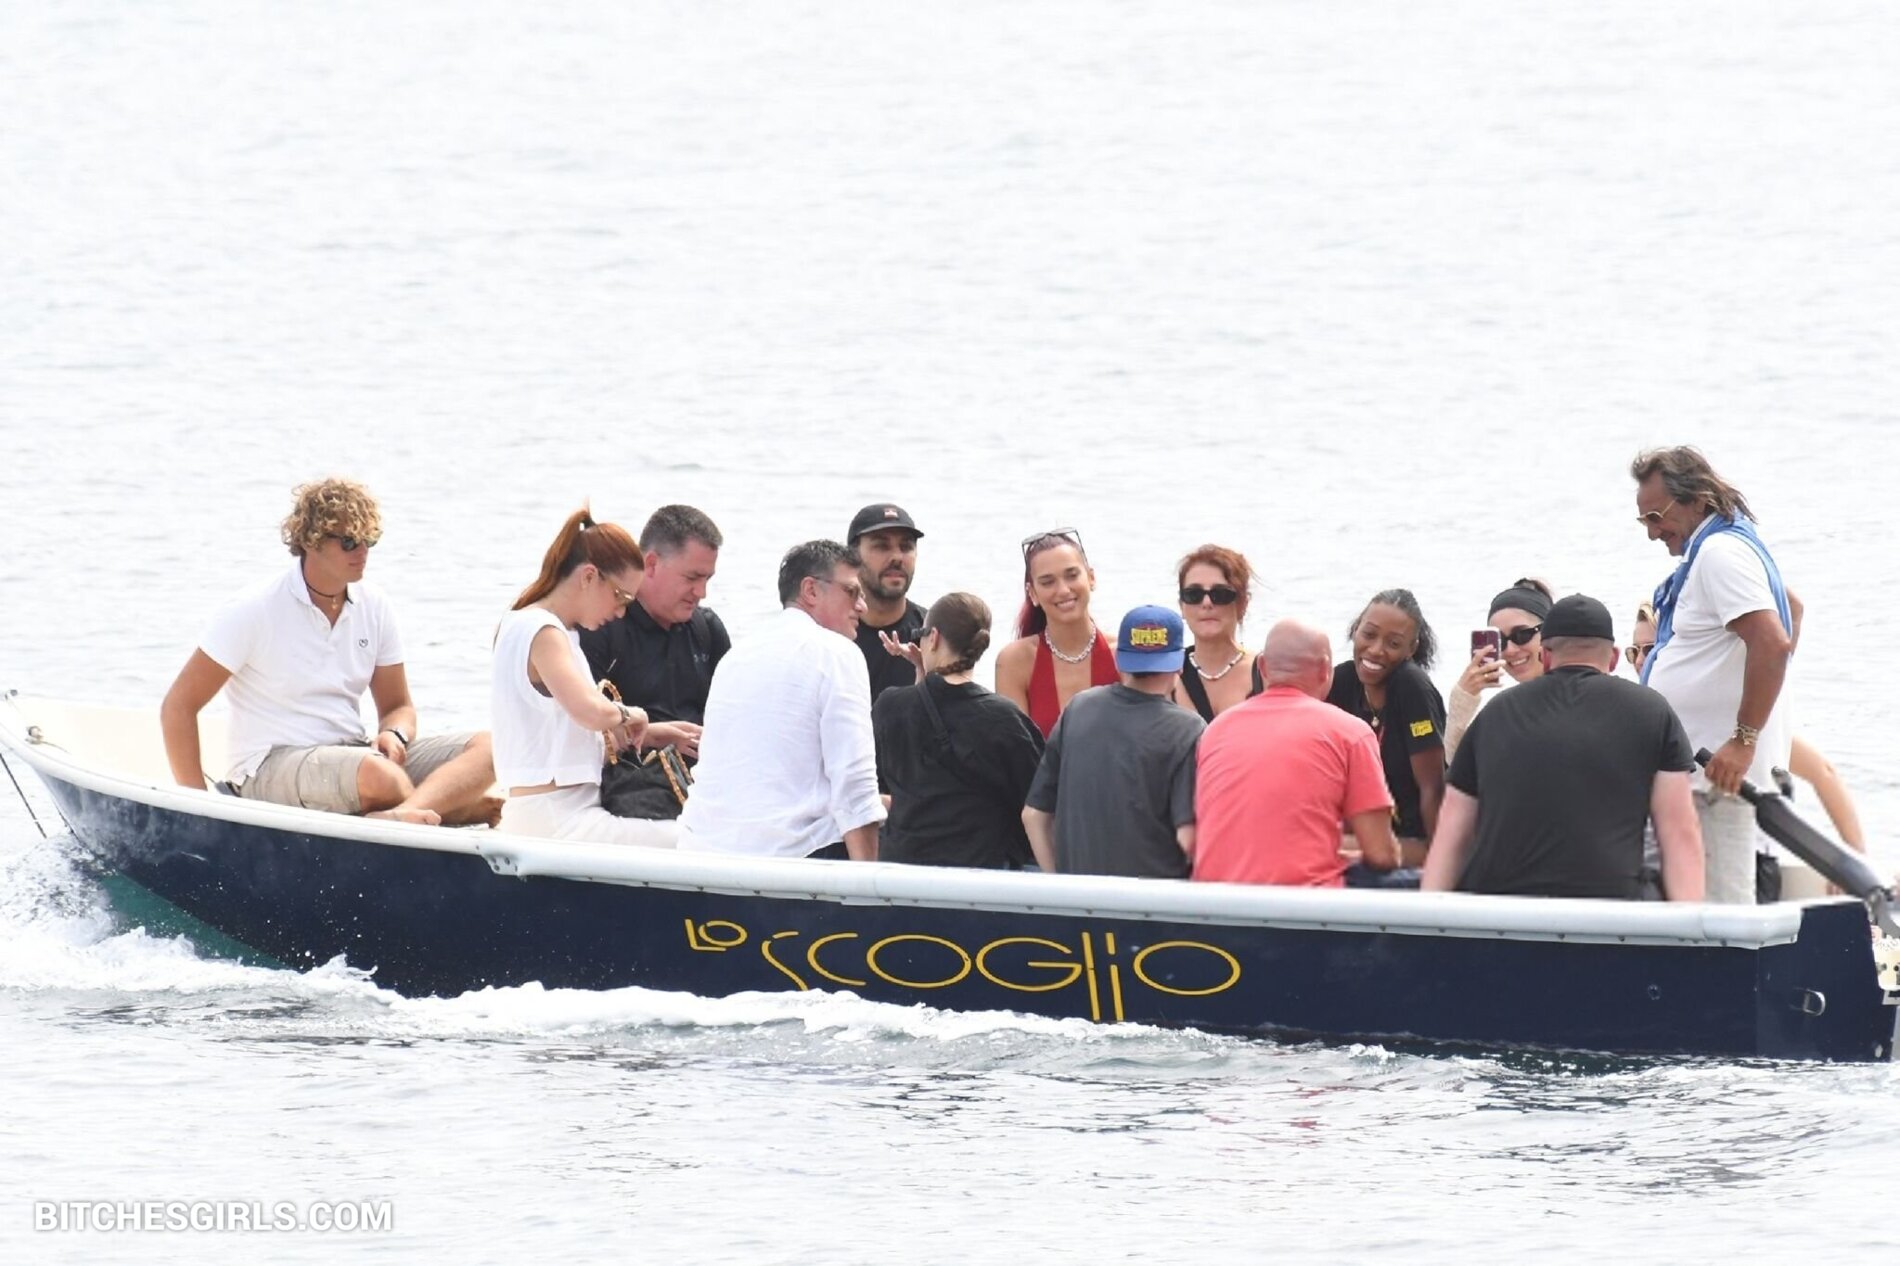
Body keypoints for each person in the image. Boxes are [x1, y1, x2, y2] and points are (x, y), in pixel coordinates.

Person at [159, 478, 497, 826]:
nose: (362, 552)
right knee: (380, 776)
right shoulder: (252, 609)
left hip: (356, 755)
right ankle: (446, 809)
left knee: (493, 747)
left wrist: (394, 733)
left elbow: (399, 707)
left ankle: (403, 813)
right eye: (349, 541)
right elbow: (178, 707)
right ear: (311, 540)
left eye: (369, 540)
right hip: (269, 765)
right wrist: (199, 810)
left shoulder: (375, 605)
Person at [1422, 595, 1706, 901]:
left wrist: (1428, 914)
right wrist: (1689, 924)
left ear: (1545, 656)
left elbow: (1452, 832)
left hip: (1502, 906)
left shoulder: (1494, 714)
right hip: (1610, 904)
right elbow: (1679, 833)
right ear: (1613, 658)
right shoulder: (1652, 711)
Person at [1632, 446, 1796, 904]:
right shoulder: (1728, 546)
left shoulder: (1720, 553)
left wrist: (1744, 739)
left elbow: (1772, 643)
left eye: (1657, 517)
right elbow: (1793, 609)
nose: (1652, 533)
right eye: (1643, 521)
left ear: (1698, 501)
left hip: (1719, 783)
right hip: (1705, 779)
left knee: (1723, 919)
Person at [1631, 600, 1865, 893]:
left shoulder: (1722, 723)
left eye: (1651, 649)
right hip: (1675, 861)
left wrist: (1855, 862)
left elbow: (1822, 772)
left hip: (1745, 860)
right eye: (1634, 652)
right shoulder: (1644, 719)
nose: (1640, 661)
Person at [676, 541, 885, 861]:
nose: (862, 607)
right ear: (810, 590)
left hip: (703, 852)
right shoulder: (839, 653)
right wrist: (867, 884)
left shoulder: (736, 657)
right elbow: (855, 787)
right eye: (852, 592)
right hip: (794, 860)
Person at [490, 508, 676, 846]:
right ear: (589, 576)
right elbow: (589, 711)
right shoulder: (542, 631)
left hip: (554, 814)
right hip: (557, 820)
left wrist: (651, 735)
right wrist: (632, 715)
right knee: (696, 840)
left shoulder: (540, 628)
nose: (621, 613)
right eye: (621, 598)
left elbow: (558, 736)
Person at [1193, 620, 1400, 887]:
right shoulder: (1350, 733)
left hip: (1213, 902)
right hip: (1302, 904)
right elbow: (1382, 855)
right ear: (1325, 670)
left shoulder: (1216, 731)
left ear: (1262, 667)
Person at [1021, 606, 1206, 878]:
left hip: (1081, 898)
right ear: (1179, 664)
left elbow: (1033, 815)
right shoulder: (1188, 730)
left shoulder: (1079, 708)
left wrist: (1059, 882)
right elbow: (1187, 838)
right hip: (1153, 899)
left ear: (1118, 660)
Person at [872, 593, 1045, 868]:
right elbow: (1036, 799)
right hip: (979, 871)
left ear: (934, 637)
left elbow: (912, 731)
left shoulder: (890, 706)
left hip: (903, 869)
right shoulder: (1004, 718)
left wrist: (922, 673)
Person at [579, 504, 729, 760]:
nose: (701, 592)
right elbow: (577, 735)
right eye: (692, 578)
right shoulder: (601, 628)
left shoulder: (708, 631)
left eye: (707, 579)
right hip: (628, 775)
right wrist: (651, 735)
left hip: (701, 777)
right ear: (651, 564)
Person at [1324, 588, 1446, 864]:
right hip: (1366, 831)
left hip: (1414, 839)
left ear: (1411, 649)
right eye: (1369, 634)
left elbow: (1432, 788)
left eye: (1393, 643)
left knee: (1322, 847)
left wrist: (1441, 864)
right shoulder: (1342, 681)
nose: (1376, 650)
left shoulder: (1412, 688)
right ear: (1356, 629)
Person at [994, 529, 1119, 737]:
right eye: (1047, 582)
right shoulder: (1015, 661)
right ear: (1032, 593)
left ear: (1091, 578)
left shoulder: (1122, 653)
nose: (1063, 590)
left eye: (1072, 575)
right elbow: (1015, 750)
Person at [1443, 578, 1553, 764]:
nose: (1510, 650)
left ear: (1550, 631)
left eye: (1522, 635)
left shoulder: (1579, 694)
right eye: (1500, 641)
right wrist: (1461, 701)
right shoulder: (1506, 710)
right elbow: (1461, 772)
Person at [1171, 544, 1264, 722]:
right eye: (1194, 594)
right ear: (1181, 606)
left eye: (1220, 594)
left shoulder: (1265, 674)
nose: (1206, 603)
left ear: (1243, 603)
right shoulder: (1164, 675)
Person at [847, 503, 930, 702]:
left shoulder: (933, 634)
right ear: (853, 556)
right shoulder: (829, 635)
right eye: (882, 546)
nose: (897, 557)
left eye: (906, 547)